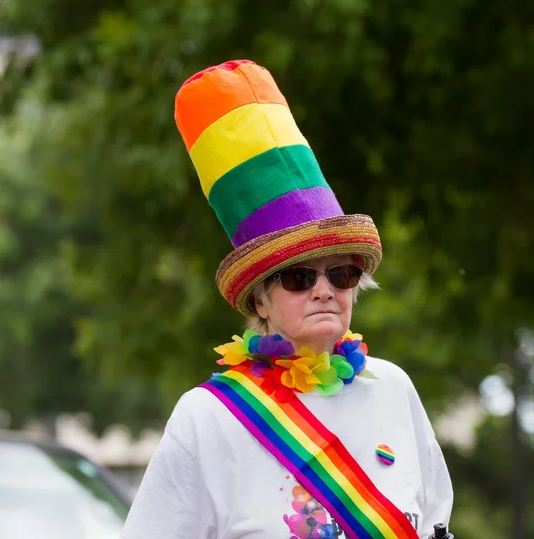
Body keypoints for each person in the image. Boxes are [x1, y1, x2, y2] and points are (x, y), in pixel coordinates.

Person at [121, 60, 453, 539]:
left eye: (341, 273)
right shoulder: (208, 417)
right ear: (260, 301)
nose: (324, 289)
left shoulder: (392, 387)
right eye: (298, 277)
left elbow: (436, 520)